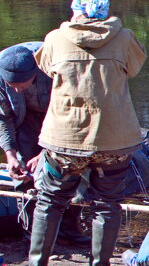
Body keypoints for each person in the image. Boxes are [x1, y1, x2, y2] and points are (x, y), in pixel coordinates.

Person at [21, 0, 147, 266]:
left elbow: (47, 68)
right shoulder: (125, 38)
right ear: (105, 10)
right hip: (114, 140)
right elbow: (134, 68)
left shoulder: (54, 38)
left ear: (75, 8)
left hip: (65, 139)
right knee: (107, 205)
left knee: (49, 201)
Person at [0, 41, 90, 244]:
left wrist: (47, 152)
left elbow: (73, 112)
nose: (15, 91)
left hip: (61, 116)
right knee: (24, 170)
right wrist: (10, 153)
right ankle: (33, 230)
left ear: (33, 75)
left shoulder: (57, 67)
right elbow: (2, 118)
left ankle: (67, 228)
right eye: (10, 86)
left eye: (19, 85)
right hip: (24, 119)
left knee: (66, 167)